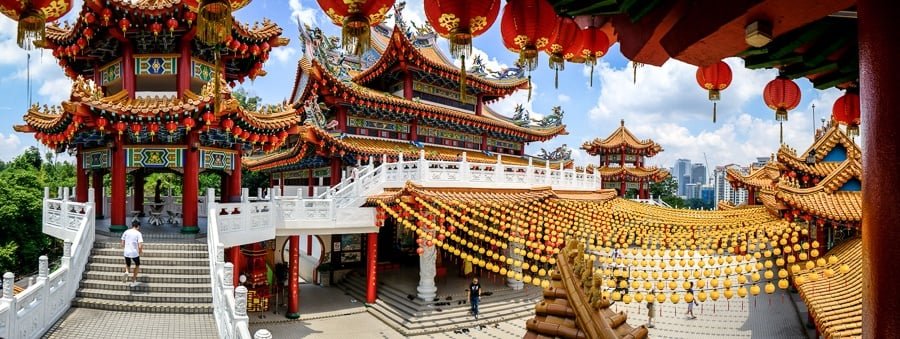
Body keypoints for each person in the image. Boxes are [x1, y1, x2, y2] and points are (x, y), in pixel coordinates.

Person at [122, 220, 144, 287]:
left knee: (127, 265)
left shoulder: (126, 231)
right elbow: (140, 245)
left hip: (126, 252)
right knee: (137, 265)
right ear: (138, 226)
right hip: (134, 253)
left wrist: (126, 248)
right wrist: (140, 252)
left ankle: (126, 272)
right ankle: (133, 281)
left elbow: (122, 243)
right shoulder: (138, 233)